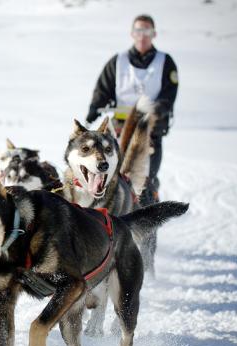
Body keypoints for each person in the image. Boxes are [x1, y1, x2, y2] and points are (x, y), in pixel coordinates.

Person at [85, 14, 178, 205]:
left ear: (154, 34)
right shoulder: (118, 62)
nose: (142, 35)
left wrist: (156, 110)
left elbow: (168, 95)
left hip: (149, 131)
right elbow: (103, 88)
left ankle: (148, 214)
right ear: (132, 33)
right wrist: (94, 109)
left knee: (145, 178)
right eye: (138, 31)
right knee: (114, 174)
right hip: (120, 130)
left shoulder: (165, 62)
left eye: (147, 31)